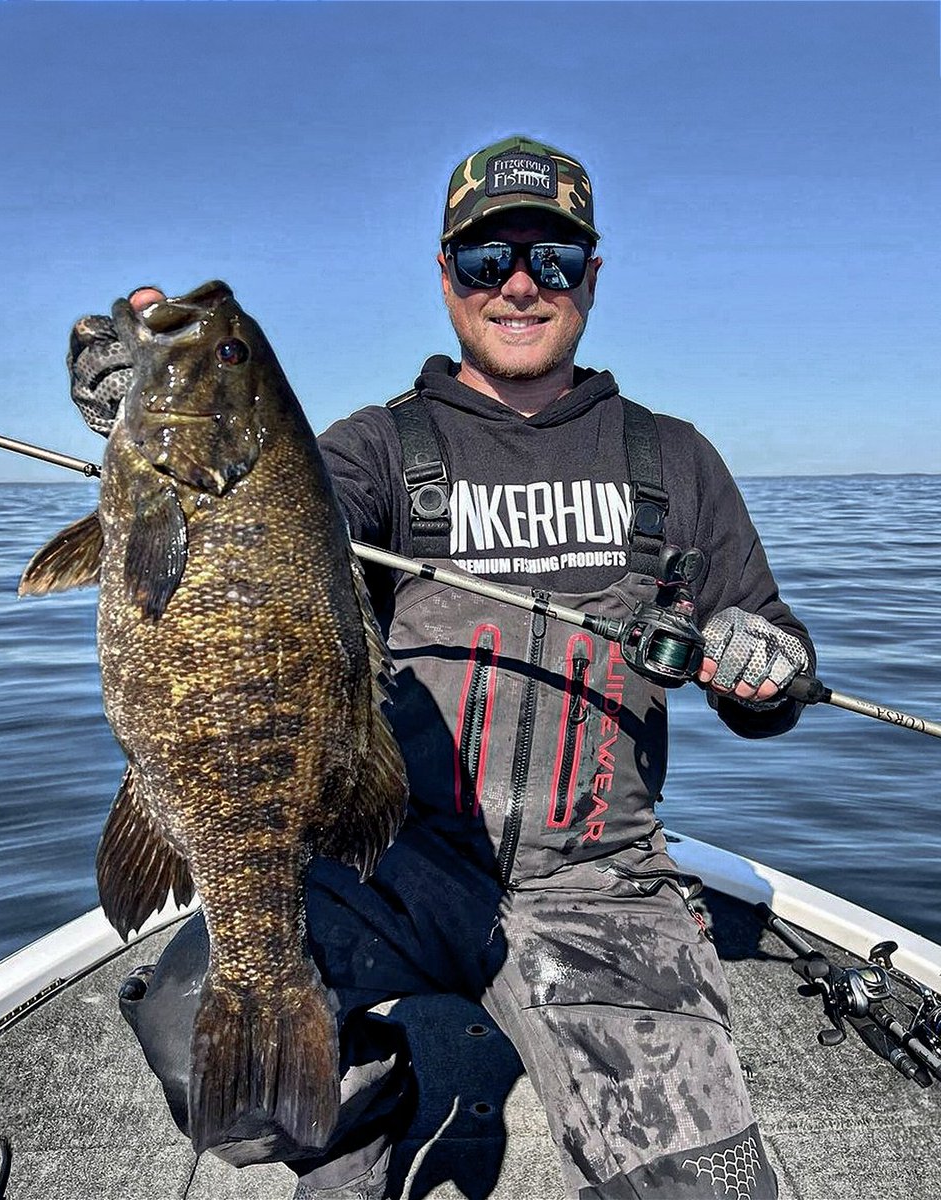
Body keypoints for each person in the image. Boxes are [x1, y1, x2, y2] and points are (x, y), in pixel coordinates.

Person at [69, 135, 813, 1200]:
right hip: (392, 861)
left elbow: (772, 672)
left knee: (708, 1189)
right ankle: (363, 1110)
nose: (519, 285)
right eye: (485, 259)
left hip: (600, 888)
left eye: (551, 259)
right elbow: (246, 522)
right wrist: (126, 426)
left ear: (591, 278)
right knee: (204, 1041)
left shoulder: (676, 459)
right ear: (446, 275)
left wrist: (769, 663)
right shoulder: (375, 451)